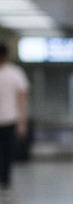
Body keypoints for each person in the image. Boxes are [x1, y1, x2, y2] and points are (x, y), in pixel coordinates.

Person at [0, 41, 30, 193]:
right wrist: (22, 121)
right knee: (5, 152)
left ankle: (4, 182)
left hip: (9, 118)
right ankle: (5, 183)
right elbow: (22, 98)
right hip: (10, 119)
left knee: (5, 152)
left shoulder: (14, 73)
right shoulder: (15, 73)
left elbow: (22, 97)